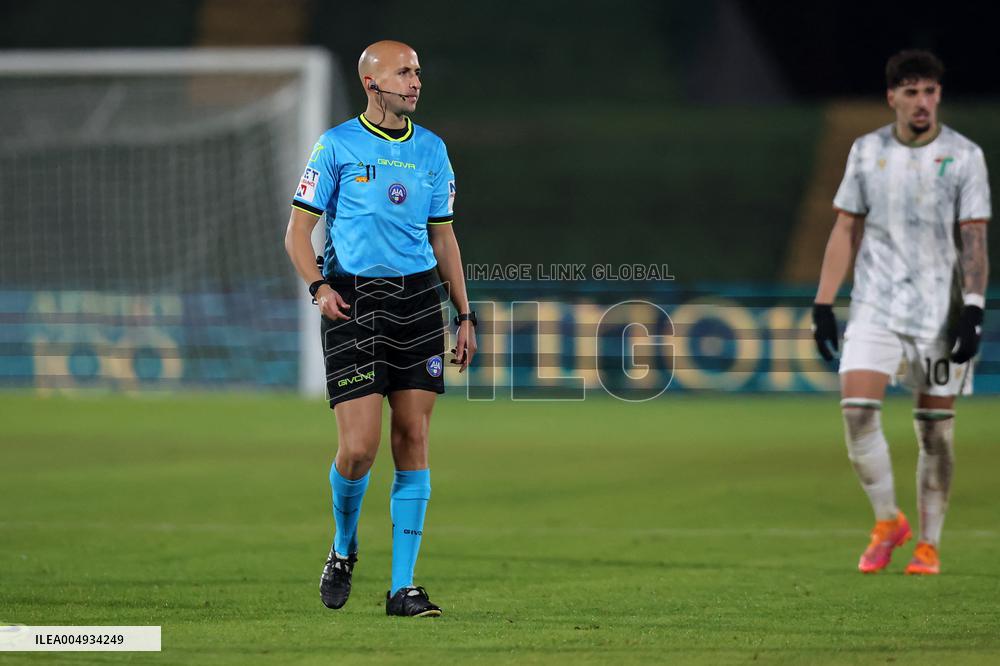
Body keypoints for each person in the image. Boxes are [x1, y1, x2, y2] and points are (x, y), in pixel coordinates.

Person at [284, 40, 477, 616]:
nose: (415, 82)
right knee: (360, 449)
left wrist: (463, 313)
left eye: (418, 71)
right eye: (404, 72)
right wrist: (319, 287)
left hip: (418, 302)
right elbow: (298, 233)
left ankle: (403, 588)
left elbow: (443, 237)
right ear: (372, 83)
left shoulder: (433, 151)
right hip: (353, 300)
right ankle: (343, 546)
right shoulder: (337, 145)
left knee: (413, 438)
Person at [812, 49, 990, 575]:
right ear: (892, 97)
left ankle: (929, 543)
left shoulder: (965, 156)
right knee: (857, 411)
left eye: (930, 91)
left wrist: (974, 309)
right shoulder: (866, 153)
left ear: (939, 95)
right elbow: (846, 227)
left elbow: (974, 236)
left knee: (934, 430)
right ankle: (888, 519)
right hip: (876, 304)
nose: (921, 101)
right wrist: (824, 302)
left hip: (940, 309)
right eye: (910, 91)